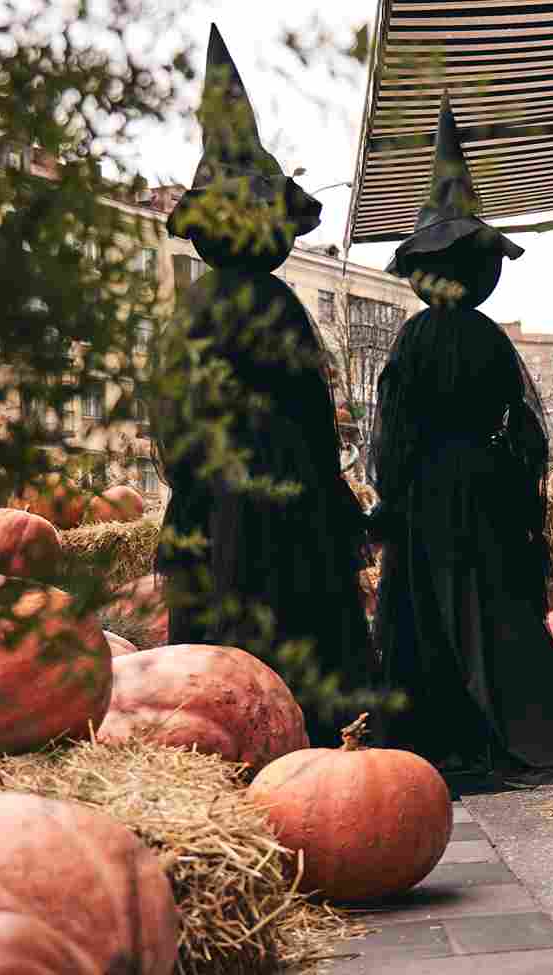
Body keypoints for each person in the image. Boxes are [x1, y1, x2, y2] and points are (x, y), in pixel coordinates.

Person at [367, 92, 553, 788]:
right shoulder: (489, 340)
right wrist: (509, 488)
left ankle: (437, 730)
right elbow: (524, 432)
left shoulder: (413, 339)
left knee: (425, 617)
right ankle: (510, 724)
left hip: (427, 497)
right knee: (492, 612)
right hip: (485, 491)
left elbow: (394, 435)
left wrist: (394, 495)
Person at [155, 25, 371, 745]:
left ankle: (227, 743)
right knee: (290, 621)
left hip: (209, 502)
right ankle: (301, 738)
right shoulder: (276, 304)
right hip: (283, 501)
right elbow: (310, 411)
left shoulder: (191, 307)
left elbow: (170, 421)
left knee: (218, 637)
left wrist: (188, 482)